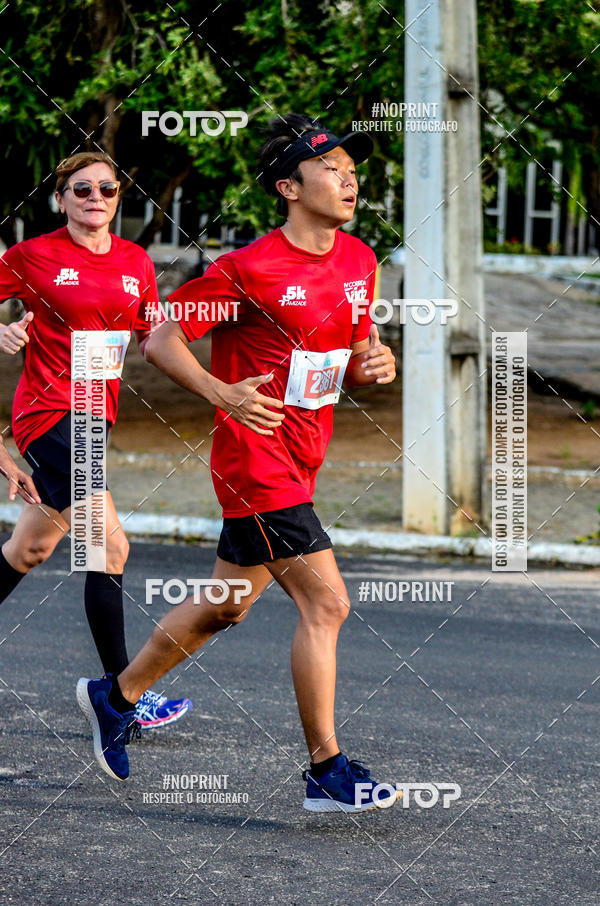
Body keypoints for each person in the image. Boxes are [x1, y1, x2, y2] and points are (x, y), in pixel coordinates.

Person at [78, 115, 399, 811]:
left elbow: (354, 349)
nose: (348, 179)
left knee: (226, 606)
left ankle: (117, 695)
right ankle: (325, 769)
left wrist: (377, 362)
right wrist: (221, 392)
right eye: (330, 167)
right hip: (254, 464)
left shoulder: (359, 260)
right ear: (288, 186)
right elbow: (161, 339)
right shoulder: (249, 269)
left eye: (352, 168)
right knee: (328, 602)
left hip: (303, 456)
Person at [0, 151, 192, 729]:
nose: (96, 198)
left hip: (91, 420)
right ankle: (122, 697)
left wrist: (221, 375)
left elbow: (154, 339)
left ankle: (122, 695)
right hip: (46, 415)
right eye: (81, 189)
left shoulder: (136, 261)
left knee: (29, 550)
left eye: (107, 189)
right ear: (60, 198)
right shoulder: (30, 256)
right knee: (109, 548)